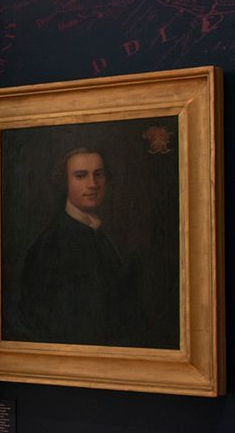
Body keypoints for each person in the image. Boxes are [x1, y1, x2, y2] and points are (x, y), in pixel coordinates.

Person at [13, 145, 142, 346]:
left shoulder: (101, 235)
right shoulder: (50, 245)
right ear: (64, 183)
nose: (93, 184)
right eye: (81, 176)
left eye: (99, 174)